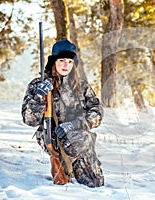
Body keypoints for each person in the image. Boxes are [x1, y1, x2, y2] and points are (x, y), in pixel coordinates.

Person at [21, 40, 104, 187]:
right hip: (52, 137)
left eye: (70, 61)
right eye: (61, 60)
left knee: (95, 183)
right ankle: (62, 164)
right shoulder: (38, 84)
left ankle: (69, 167)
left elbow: (97, 112)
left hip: (79, 139)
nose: (66, 65)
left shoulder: (82, 86)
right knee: (85, 137)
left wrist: (74, 124)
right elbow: (29, 120)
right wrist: (38, 97)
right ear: (54, 62)